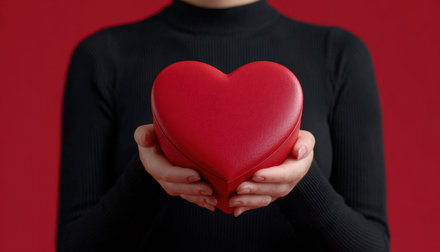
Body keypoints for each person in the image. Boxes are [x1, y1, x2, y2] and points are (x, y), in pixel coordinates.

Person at [56, 0, 390, 251]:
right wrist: (149, 177)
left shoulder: (339, 55)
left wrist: (301, 184)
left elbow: (373, 245)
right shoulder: (103, 57)